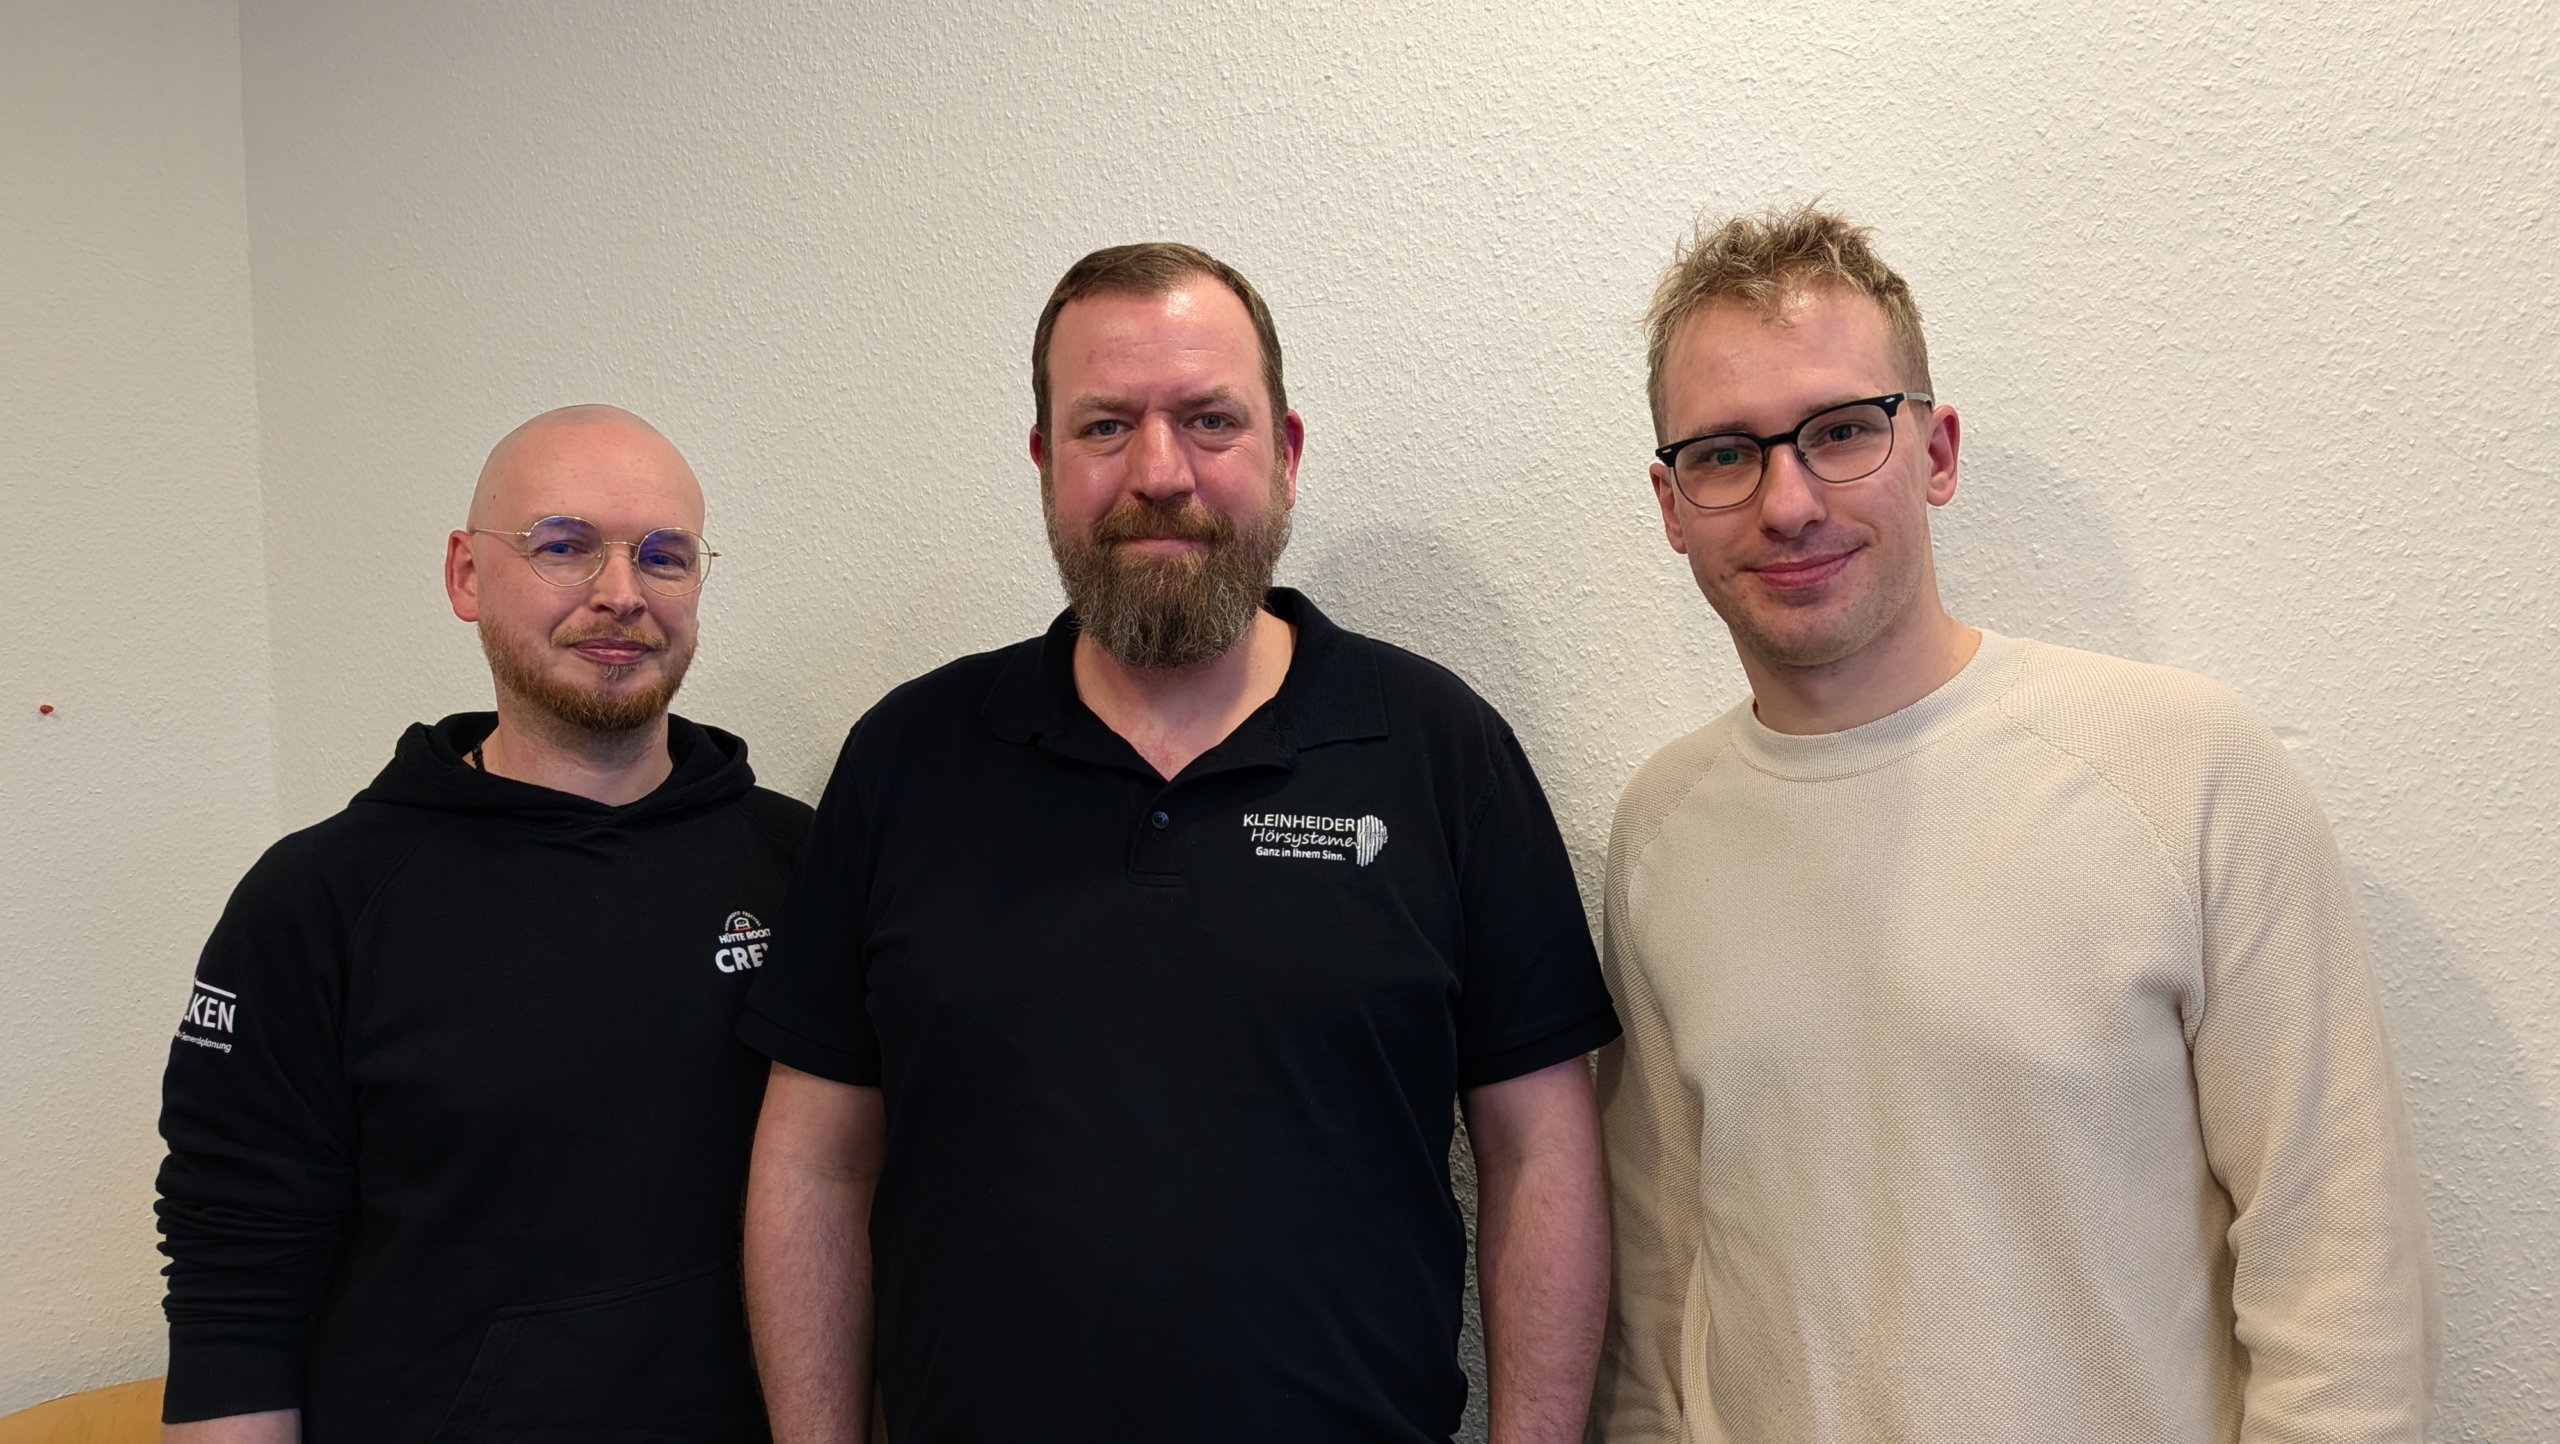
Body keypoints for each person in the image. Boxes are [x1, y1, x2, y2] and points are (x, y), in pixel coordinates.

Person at [738, 243, 1622, 1443]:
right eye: (1106, 426)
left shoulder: (1437, 749)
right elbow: (814, 1164)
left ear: (1285, 452)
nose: (1159, 473)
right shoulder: (908, 756)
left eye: (1210, 420)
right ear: (1046, 461)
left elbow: (1539, 1154)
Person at [1590, 203, 2440, 1442]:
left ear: (1934, 452)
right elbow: (1659, 1296)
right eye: (1725, 453)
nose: (1788, 501)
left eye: (1840, 431)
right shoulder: (1662, 828)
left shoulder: (2184, 767)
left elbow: (2342, 1274)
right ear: (1672, 505)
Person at [155, 405, 811, 1442]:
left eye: (664, 556)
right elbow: (234, 1277)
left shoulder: (802, 866)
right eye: (564, 545)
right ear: (467, 576)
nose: (622, 592)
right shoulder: (318, 900)